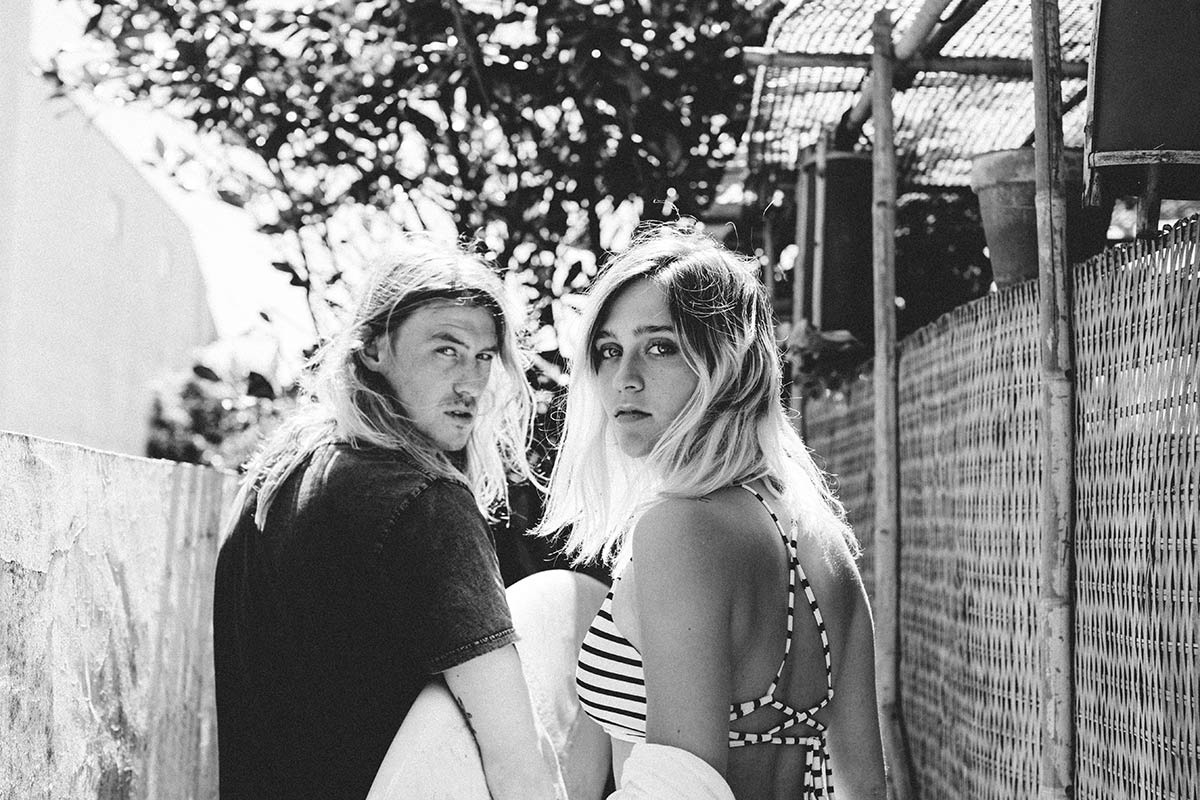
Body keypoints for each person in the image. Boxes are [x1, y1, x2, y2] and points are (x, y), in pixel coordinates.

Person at [535, 224, 887, 799]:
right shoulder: (823, 543)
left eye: (660, 346)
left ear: (728, 362)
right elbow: (867, 790)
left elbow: (678, 790)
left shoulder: (679, 528)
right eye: (608, 351)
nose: (624, 378)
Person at [212, 238, 567, 800]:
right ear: (375, 348)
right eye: (446, 350)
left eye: (484, 356)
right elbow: (520, 766)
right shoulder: (426, 503)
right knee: (568, 608)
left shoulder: (276, 472)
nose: (471, 383)